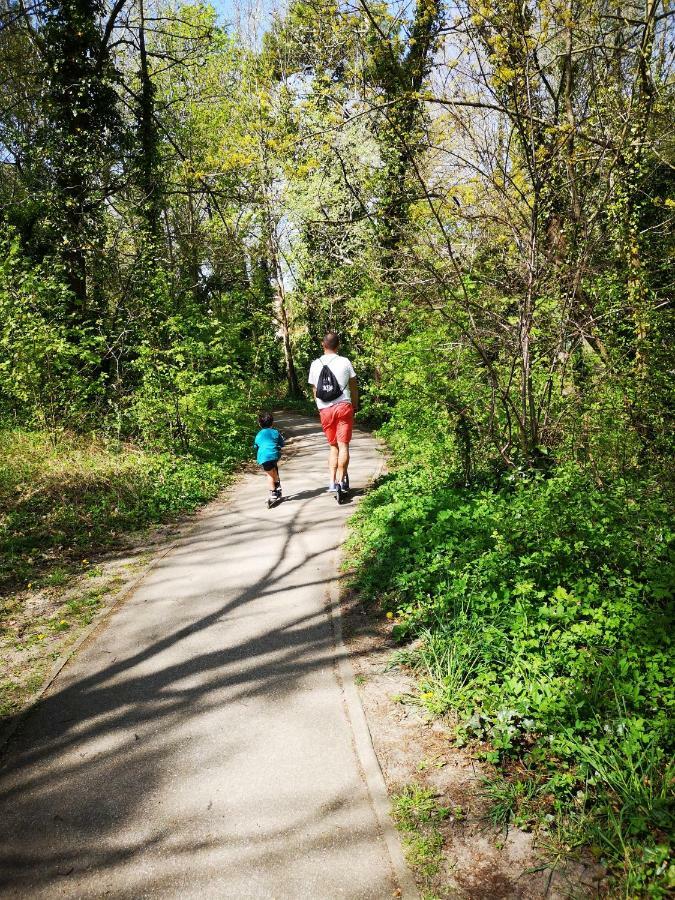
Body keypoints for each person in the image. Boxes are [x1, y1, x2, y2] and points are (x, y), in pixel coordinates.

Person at [307, 332, 358, 503]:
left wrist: (320, 408)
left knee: (333, 447)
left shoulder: (315, 364)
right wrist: (355, 404)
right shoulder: (345, 361)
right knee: (343, 446)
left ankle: (331, 482)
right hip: (343, 406)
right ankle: (341, 481)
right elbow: (353, 385)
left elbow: (315, 390)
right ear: (338, 345)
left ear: (323, 344)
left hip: (325, 410)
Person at [254, 412, 285, 506]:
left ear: (260, 424)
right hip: (274, 455)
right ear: (272, 423)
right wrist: (278, 446)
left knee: (269, 474)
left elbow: (256, 446)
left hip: (264, 457)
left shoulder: (259, 434)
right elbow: (282, 443)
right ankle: (277, 486)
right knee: (274, 468)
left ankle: (273, 493)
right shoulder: (275, 432)